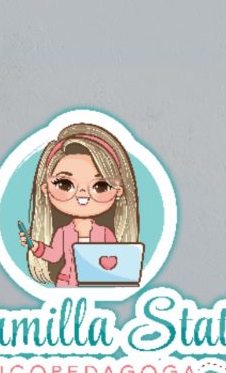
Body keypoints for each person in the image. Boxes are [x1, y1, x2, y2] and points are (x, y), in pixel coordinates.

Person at [17, 123, 140, 286]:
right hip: (66, 284)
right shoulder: (63, 233)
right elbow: (54, 256)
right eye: (64, 184)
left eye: (100, 186)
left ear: (118, 191)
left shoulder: (105, 233)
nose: (82, 195)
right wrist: (34, 245)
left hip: (96, 285)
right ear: (46, 188)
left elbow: (116, 260)